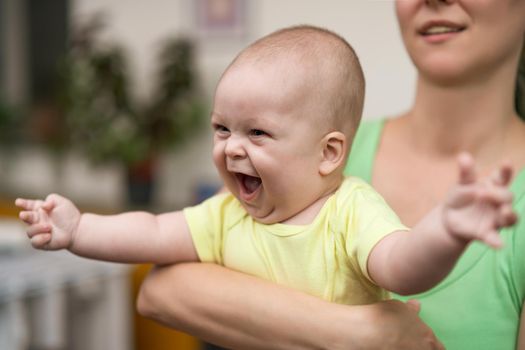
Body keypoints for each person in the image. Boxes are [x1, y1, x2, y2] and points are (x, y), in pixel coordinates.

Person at [16, 24, 515, 348]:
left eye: (257, 133)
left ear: (328, 154)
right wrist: (79, 229)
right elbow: (150, 232)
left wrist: (446, 231)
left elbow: (403, 268)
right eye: (222, 129)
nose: (232, 148)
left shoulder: (350, 210)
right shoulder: (227, 214)